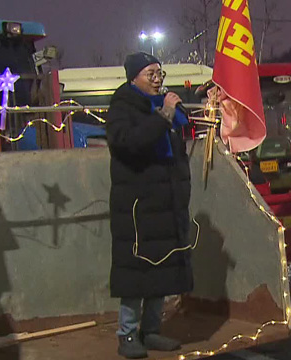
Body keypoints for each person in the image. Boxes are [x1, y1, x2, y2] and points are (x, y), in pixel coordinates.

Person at [106, 52, 193, 359]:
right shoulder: (121, 108)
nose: (157, 80)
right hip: (137, 207)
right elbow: (130, 142)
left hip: (164, 204)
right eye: (150, 74)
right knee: (136, 272)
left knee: (162, 269)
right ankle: (127, 333)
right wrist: (164, 116)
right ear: (133, 78)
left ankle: (151, 330)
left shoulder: (160, 107)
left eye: (160, 74)